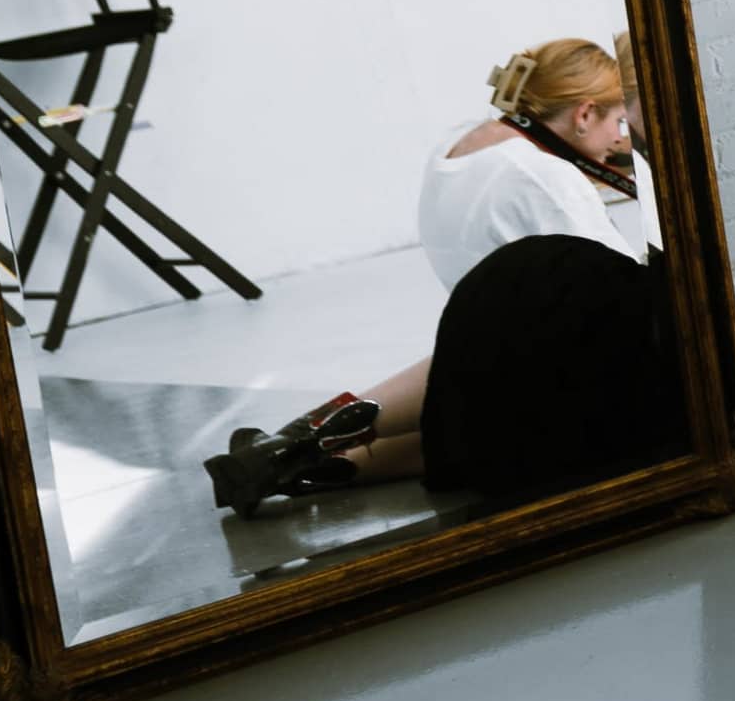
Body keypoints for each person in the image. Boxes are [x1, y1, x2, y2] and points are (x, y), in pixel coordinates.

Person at [203, 232, 684, 514]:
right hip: (607, 394)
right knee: (495, 431)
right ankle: (319, 472)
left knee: (483, 377)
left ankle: (293, 441)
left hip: (531, 289)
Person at [417, 38, 651, 289]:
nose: (618, 139)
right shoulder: (545, 176)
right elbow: (628, 293)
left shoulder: (456, 143)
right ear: (584, 114)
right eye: (619, 122)